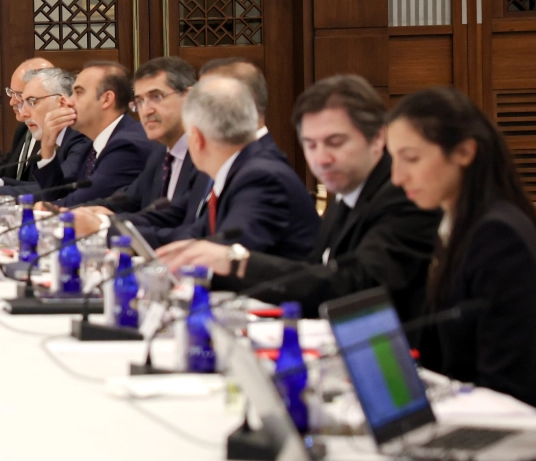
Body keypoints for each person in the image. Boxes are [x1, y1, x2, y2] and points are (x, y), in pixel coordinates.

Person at [162, 75, 440, 322]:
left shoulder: (404, 195)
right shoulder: (346, 195)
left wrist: (238, 261)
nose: (322, 158)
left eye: (335, 142)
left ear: (377, 137)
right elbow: (312, 274)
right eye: (311, 145)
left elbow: (359, 285)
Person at [386, 86, 536, 406]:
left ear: (464, 152)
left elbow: (509, 387)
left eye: (411, 159)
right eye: (393, 159)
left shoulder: (498, 237)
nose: (396, 178)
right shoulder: (455, 226)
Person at [152, 75, 320, 259]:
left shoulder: (260, 178)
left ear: (197, 138)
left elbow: (228, 254)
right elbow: (199, 235)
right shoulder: (241, 169)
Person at [68, 57, 203, 235]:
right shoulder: (161, 155)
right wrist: (74, 214)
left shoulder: (204, 158)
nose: (146, 110)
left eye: (156, 97)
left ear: (189, 97)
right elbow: (127, 200)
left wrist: (105, 224)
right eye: (139, 101)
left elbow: (185, 227)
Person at [37, 61, 159, 206]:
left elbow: (82, 201)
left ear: (106, 99)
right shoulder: (91, 147)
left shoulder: (127, 146)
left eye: (79, 92)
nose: (69, 102)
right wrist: (47, 146)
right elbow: (59, 194)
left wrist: (39, 209)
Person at [0, 66, 85, 193]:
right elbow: (40, 185)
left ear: (61, 103)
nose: (24, 114)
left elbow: (58, 189)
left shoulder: (81, 137)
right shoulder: (51, 138)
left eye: (32, 101)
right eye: (24, 103)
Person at [198, 57, 291, 166]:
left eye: (209, 100)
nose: (199, 109)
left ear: (246, 102)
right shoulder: (237, 158)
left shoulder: (263, 169)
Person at [0, 57, 53, 180]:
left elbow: (43, 185)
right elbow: (7, 167)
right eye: (11, 93)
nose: (12, 102)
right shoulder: (23, 128)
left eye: (19, 95)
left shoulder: (60, 134)